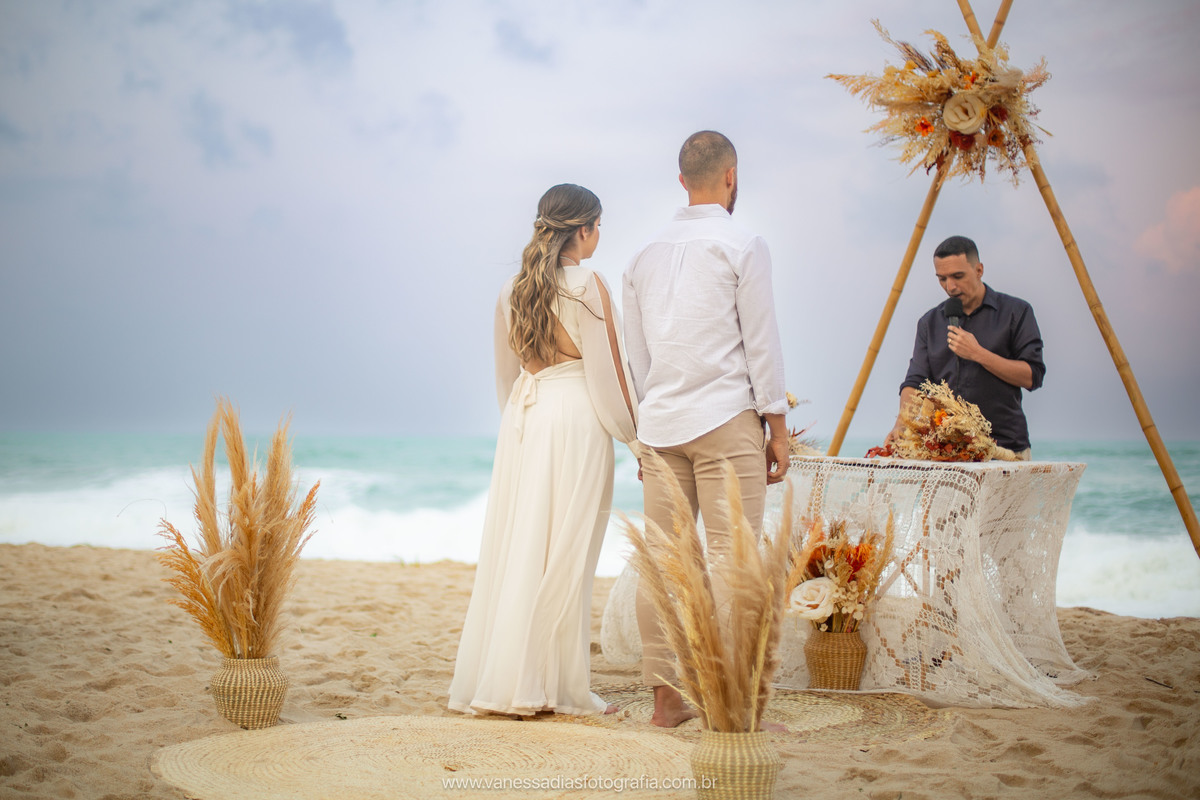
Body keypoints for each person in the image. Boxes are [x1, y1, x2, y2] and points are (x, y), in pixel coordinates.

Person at [448, 184, 638, 717]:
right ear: (583, 230)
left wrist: (523, 428)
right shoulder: (587, 285)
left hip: (525, 422)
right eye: (598, 226)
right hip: (576, 418)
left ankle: (513, 677)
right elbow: (609, 382)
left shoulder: (512, 289)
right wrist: (638, 441)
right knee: (568, 553)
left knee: (522, 547)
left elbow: (505, 381)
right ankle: (557, 685)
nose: (599, 236)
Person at [622, 131, 790, 727]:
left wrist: (646, 427)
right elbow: (760, 341)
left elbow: (635, 356)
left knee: (668, 561)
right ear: (732, 175)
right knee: (733, 559)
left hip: (662, 424)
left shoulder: (642, 256)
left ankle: (667, 700)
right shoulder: (744, 244)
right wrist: (778, 423)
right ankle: (735, 701)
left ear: (681, 180)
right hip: (725, 419)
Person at [886, 235, 1045, 458]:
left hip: (1005, 448)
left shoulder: (1016, 312)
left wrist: (978, 353)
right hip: (946, 450)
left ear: (979, 270)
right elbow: (915, 382)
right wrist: (901, 425)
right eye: (942, 279)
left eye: (958, 276)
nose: (950, 286)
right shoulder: (929, 322)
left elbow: (1032, 377)